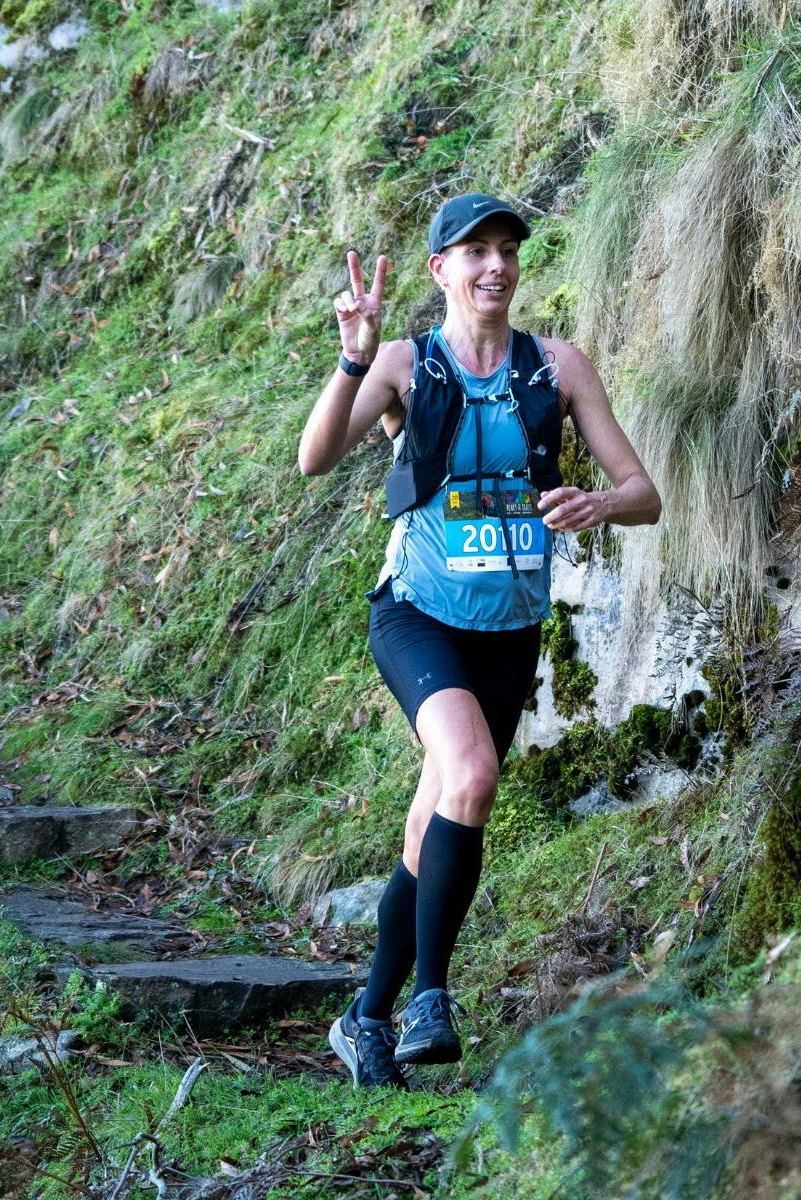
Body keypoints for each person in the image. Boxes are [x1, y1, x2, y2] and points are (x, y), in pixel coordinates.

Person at [298, 193, 662, 1089]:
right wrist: (351, 359)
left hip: (509, 630)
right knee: (471, 773)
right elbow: (315, 458)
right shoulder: (406, 363)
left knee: (437, 820)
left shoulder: (558, 367)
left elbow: (644, 495)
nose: (495, 265)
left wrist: (598, 503)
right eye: (475, 251)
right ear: (441, 270)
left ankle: (365, 1018)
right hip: (417, 614)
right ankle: (431, 997)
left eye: (507, 249)